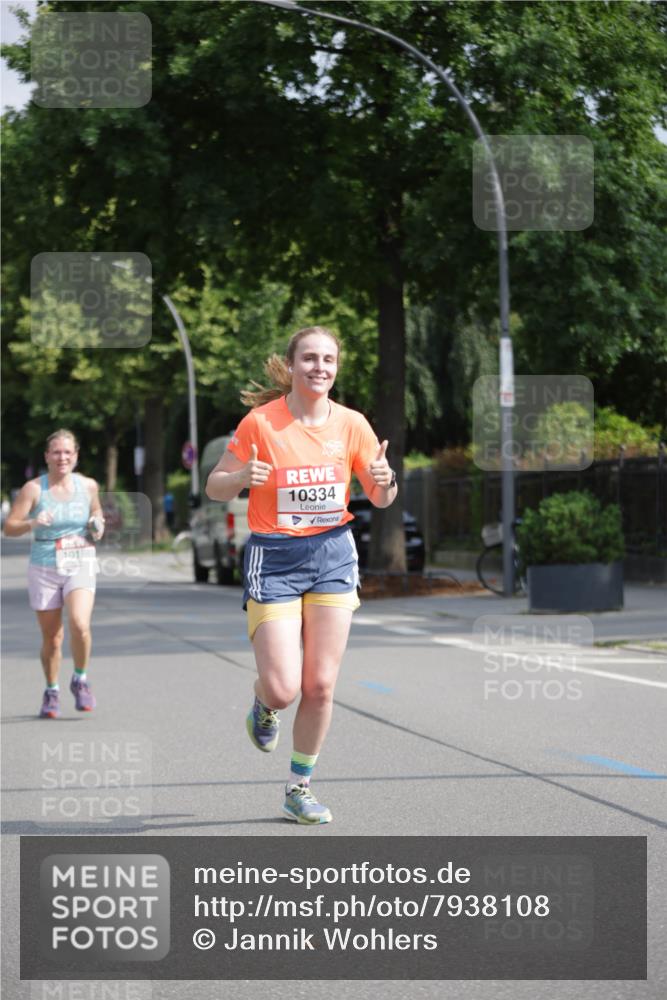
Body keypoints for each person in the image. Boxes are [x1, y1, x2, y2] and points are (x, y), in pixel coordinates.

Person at [206, 326, 397, 824]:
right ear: (291, 366)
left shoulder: (352, 424)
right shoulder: (261, 423)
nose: (319, 367)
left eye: (328, 359)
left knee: (320, 685)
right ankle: (264, 704)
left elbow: (380, 497)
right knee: (284, 687)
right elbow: (214, 487)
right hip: (274, 558)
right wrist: (240, 478)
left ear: (336, 368)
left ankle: (299, 787)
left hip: (333, 555)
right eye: (309, 358)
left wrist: (386, 480)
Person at [3, 429, 105, 719]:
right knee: (53, 638)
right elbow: (9, 527)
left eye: (68, 452)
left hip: (80, 561)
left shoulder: (88, 485)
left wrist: (98, 524)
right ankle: (52, 689)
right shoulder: (34, 489)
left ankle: (80, 679)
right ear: (47, 456)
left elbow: (96, 513)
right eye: (57, 452)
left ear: (76, 456)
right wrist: (32, 523)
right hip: (44, 566)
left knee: (80, 624)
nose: (62, 457)